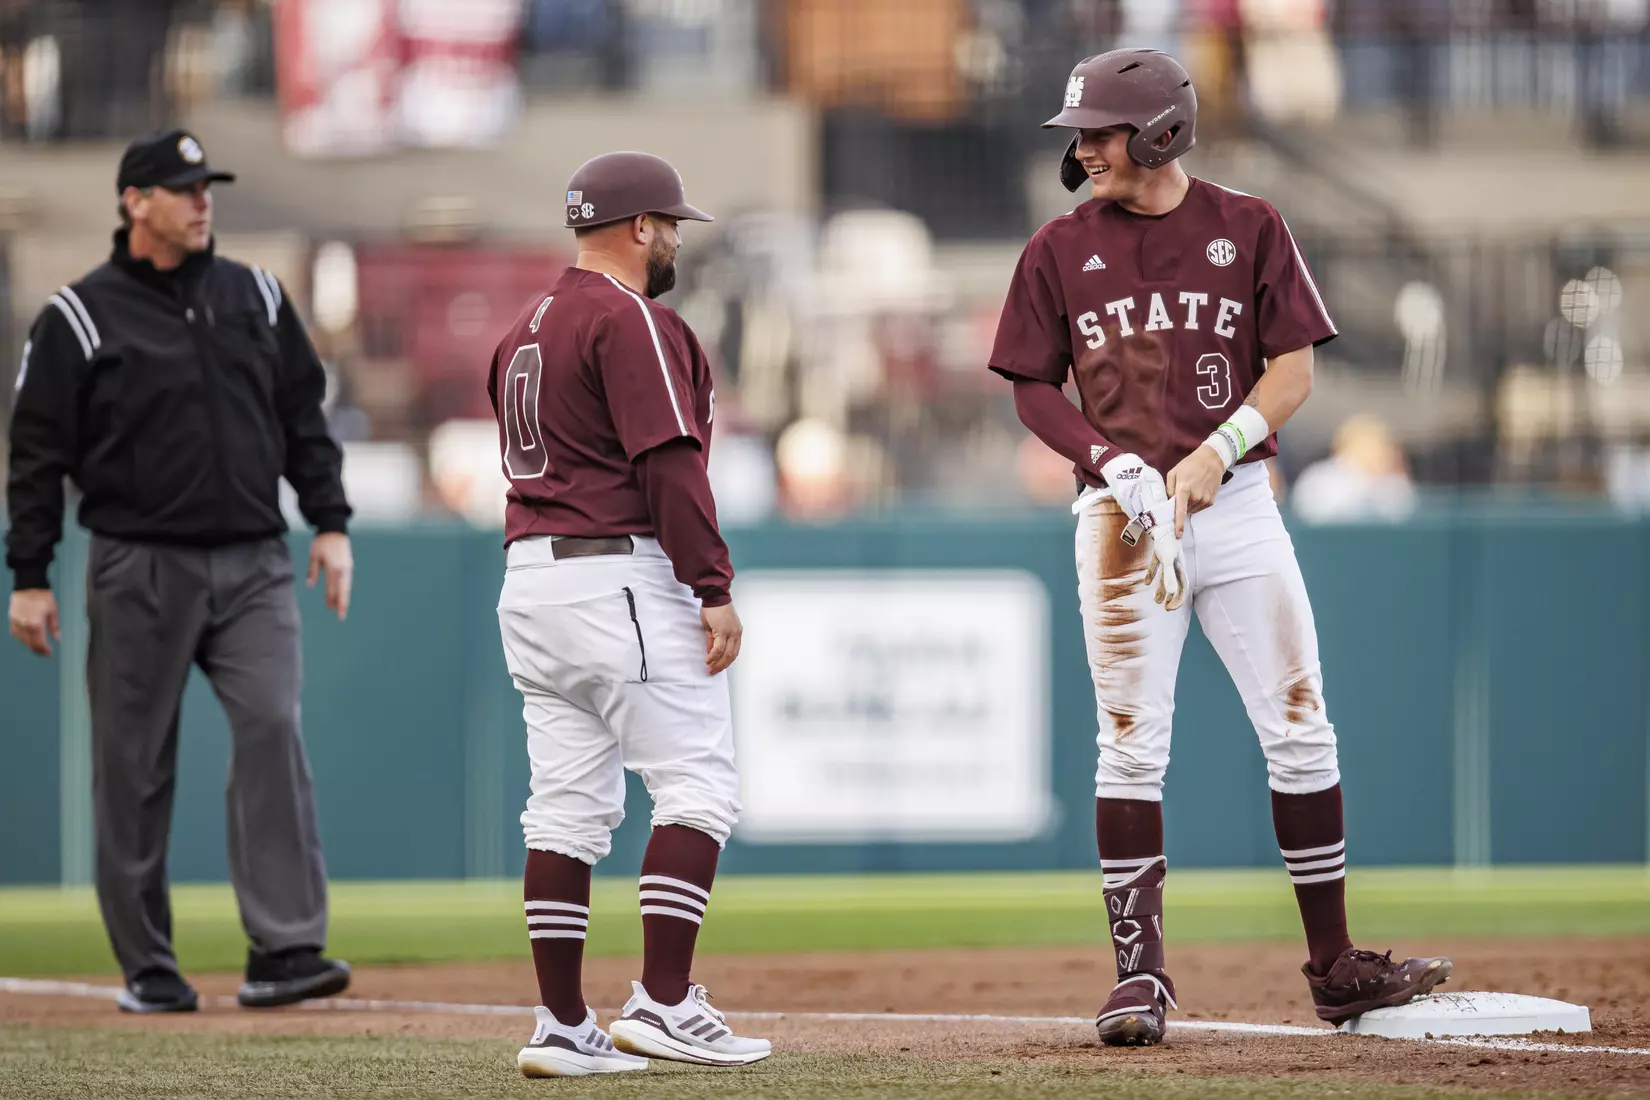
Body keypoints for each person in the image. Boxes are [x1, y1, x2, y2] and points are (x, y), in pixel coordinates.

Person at [988, 50, 1451, 1046]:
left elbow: (1292, 370)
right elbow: (1030, 384)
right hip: (1121, 515)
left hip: (1235, 502)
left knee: (1301, 726)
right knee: (1131, 746)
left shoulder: (1250, 224)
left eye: (1100, 129)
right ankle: (1138, 975)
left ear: (1159, 130)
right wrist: (1103, 457)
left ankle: (1334, 965)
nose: (1084, 147)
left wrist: (1218, 450)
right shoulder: (1059, 248)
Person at [5, 130, 355, 1013]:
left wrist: (330, 522)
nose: (204, 201)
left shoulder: (258, 296)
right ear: (135, 202)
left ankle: (284, 948)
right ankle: (146, 965)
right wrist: (31, 574)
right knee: (134, 767)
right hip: (138, 567)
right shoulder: (79, 317)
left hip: (253, 561)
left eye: (208, 187)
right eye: (184, 188)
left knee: (273, 728)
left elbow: (304, 417)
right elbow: (35, 456)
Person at [489, 151, 771, 1077]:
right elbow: (667, 464)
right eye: (671, 225)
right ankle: (662, 999)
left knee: (563, 811)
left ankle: (562, 1023)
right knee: (697, 786)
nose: (675, 241)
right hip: (616, 572)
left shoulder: (523, 328)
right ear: (641, 227)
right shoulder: (631, 317)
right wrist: (713, 585)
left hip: (531, 578)